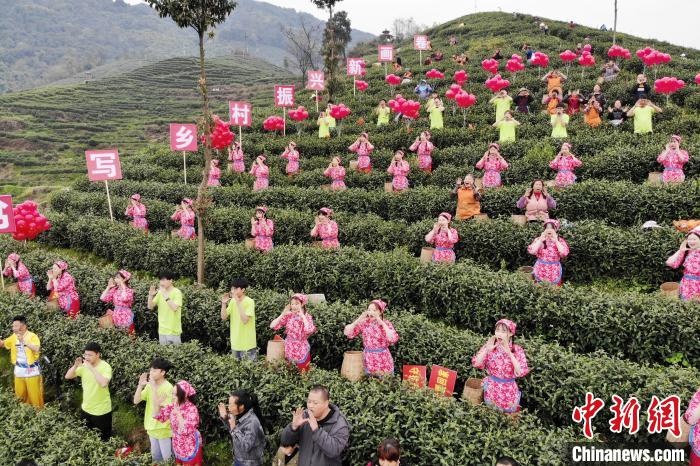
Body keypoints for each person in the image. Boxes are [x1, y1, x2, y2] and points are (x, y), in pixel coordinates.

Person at [280, 385, 350, 466]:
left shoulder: (339, 424)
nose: (310, 406)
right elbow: (285, 442)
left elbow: (334, 451)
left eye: (315, 403)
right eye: (309, 402)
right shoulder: (305, 416)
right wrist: (293, 427)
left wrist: (316, 430)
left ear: (326, 403)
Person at [472, 319, 529, 414]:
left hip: (509, 393)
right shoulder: (491, 347)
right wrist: (487, 349)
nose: (499, 333)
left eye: (503, 331)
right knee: (491, 416)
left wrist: (509, 353)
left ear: (511, 333)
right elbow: (476, 363)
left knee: (508, 420)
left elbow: (520, 371)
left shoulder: (517, 350)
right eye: (497, 330)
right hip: (492, 389)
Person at [65, 342, 112, 440]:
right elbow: (68, 376)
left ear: (98, 354)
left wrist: (91, 368)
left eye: (90, 355)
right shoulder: (84, 366)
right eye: (85, 354)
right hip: (86, 408)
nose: (86, 357)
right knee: (86, 438)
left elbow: (103, 383)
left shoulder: (105, 367)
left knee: (103, 440)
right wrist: (75, 366)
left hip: (101, 411)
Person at [133, 358, 174, 464]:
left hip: (163, 428)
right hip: (151, 427)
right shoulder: (149, 386)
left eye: (154, 371)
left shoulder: (168, 387)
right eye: (150, 370)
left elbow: (162, 412)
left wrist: (154, 388)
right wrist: (140, 385)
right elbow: (136, 400)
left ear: (163, 372)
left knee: (167, 460)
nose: (151, 373)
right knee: (156, 458)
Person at [153, 380, 203, 465]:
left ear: (185, 395)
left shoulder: (192, 409)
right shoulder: (173, 406)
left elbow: (186, 430)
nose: (173, 397)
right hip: (177, 442)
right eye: (172, 393)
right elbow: (160, 416)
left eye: (176, 394)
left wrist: (179, 415)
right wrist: (157, 405)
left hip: (190, 443)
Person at [343, 300, 399, 376]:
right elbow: (349, 333)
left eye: (374, 310)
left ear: (380, 312)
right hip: (368, 358)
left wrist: (381, 322)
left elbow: (393, 339)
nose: (371, 312)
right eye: (369, 310)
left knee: (384, 383)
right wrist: (359, 319)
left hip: (382, 358)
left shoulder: (386, 323)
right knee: (368, 383)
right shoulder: (364, 323)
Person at [0, 315, 43, 408]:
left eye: (15, 326)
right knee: (20, 396)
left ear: (23, 326)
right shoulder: (13, 337)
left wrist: (24, 341)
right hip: (19, 369)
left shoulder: (32, 336)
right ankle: (22, 415)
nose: (13, 328)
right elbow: (3, 344)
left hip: (31, 370)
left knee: (34, 396)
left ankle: (38, 415)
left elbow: (37, 349)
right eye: (13, 326)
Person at [218, 390, 266, 466]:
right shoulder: (240, 415)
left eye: (231, 404)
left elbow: (246, 447)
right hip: (239, 459)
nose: (228, 407)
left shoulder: (252, 422)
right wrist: (225, 418)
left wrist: (234, 428)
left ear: (241, 406)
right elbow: (233, 432)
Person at [270, 294, 317, 373]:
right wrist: (282, 314)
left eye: (296, 304)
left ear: (302, 304)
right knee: (289, 372)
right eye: (292, 304)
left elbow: (309, 330)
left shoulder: (307, 317)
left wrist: (302, 316)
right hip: (289, 348)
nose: (294, 306)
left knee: (303, 373)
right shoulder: (289, 315)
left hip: (302, 349)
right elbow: (272, 326)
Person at [221, 278, 257, 360]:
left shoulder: (249, 301)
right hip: (235, 343)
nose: (233, 291)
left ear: (243, 289)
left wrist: (237, 301)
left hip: (248, 344)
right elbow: (224, 317)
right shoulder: (232, 301)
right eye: (232, 288)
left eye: (236, 288)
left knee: (250, 370)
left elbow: (245, 320)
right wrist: (223, 304)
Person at [527, 219, 570, 285]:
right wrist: (540, 240)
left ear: (556, 229)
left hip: (554, 270)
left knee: (553, 290)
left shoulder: (560, 240)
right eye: (547, 227)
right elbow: (532, 251)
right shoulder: (539, 239)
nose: (549, 229)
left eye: (552, 228)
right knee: (539, 289)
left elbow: (564, 253)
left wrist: (556, 241)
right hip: (540, 269)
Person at [147, 272, 183, 345]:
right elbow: (150, 307)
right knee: (164, 354)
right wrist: (150, 296)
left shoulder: (177, 292)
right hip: (162, 330)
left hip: (173, 331)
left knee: (175, 355)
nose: (161, 282)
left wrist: (165, 295)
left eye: (164, 280)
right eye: (160, 280)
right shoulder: (160, 293)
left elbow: (175, 308)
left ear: (171, 280)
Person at [666, 227, 700, 301]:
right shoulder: (686, 252)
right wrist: (680, 250)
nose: (691, 241)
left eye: (694, 239)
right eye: (689, 239)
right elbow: (670, 263)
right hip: (686, 286)